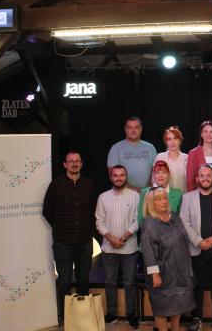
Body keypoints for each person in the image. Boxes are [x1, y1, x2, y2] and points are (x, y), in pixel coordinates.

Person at [42, 151, 97, 324]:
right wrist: (60, 227)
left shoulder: (88, 185)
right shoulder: (56, 185)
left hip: (84, 242)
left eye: (77, 161)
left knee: (83, 281)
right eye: (70, 161)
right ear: (65, 165)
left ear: (81, 164)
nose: (74, 164)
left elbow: (94, 211)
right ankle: (66, 319)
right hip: (63, 243)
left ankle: (82, 318)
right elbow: (47, 211)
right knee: (64, 282)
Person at [180, 164, 212, 331]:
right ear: (197, 179)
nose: (205, 178)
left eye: (209, 175)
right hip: (197, 247)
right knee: (197, 284)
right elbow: (184, 223)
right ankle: (196, 317)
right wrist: (198, 241)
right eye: (202, 176)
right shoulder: (187, 198)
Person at [141, 188, 195, 331]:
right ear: (151, 203)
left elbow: (183, 243)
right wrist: (155, 274)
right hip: (162, 273)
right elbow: (148, 251)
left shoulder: (176, 218)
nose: (164, 201)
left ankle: (176, 329)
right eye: (158, 199)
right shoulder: (149, 224)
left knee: (178, 304)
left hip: (180, 270)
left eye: (165, 198)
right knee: (162, 307)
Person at [95, 165, 140, 328]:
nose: (119, 178)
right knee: (110, 282)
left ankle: (131, 314)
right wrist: (112, 239)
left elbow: (138, 220)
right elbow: (99, 221)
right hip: (109, 247)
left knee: (130, 283)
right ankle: (112, 313)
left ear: (126, 177)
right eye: (116, 175)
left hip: (130, 247)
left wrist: (125, 236)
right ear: (111, 177)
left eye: (122, 175)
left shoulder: (135, 196)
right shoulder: (103, 197)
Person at [107, 116, 157, 191]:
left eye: (136, 127)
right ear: (125, 129)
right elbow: (112, 173)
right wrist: (132, 190)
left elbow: (156, 170)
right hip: (124, 192)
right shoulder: (116, 148)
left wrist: (147, 188)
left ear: (141, 129)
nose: (133, 130)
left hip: (147, 192)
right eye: (130, 127)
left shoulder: (150, 147)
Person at [138, 160, 184, 226]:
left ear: (168, 174)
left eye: (164, 173)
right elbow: (141, 218)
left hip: (172, 232)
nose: (160, 176)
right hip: (150, 232)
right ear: (153, 175)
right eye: (157, 173)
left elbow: (179, 218)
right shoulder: (145, 192)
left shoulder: (178, 193)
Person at [186, 120, 212, 191]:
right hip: (200, 194)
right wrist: (192, 198)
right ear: (201, 134)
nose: (209, 134)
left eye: (211, 132)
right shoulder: (193, 153)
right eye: (205, 131)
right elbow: (190, 179)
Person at [154, 126, 188, 192]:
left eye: (175, 138)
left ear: (180, 140)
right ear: (166, 142)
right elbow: (154, 179)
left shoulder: (187, 158)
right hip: (164, 198)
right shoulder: (160, 157)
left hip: (184, 198)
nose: (172, 142)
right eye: (169, 139)